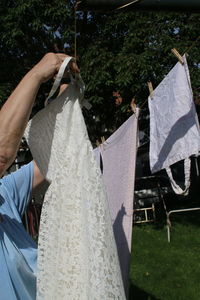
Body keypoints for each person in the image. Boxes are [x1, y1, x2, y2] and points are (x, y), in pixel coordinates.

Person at [0, 53, 79, 300]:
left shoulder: (5, 191)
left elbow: (51, 159)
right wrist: (37, 74)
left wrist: (66, 100)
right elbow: (2, 154)